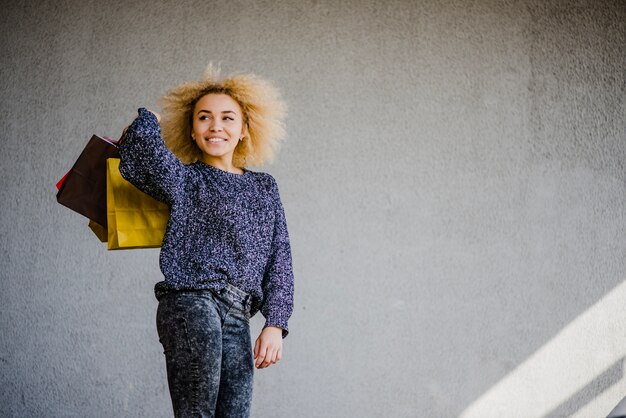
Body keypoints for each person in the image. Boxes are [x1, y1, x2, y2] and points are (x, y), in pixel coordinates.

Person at [118, 65, 294, 418]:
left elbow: (280, 259)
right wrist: (147, 120)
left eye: (228, 118)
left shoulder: (264, 187)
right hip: (192, 301)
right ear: (193, 132)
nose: (216, 126)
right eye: (204, 118)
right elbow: (142, 154)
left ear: (245, 130)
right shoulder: (186, 179)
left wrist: (275, 322)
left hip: (238, 312)